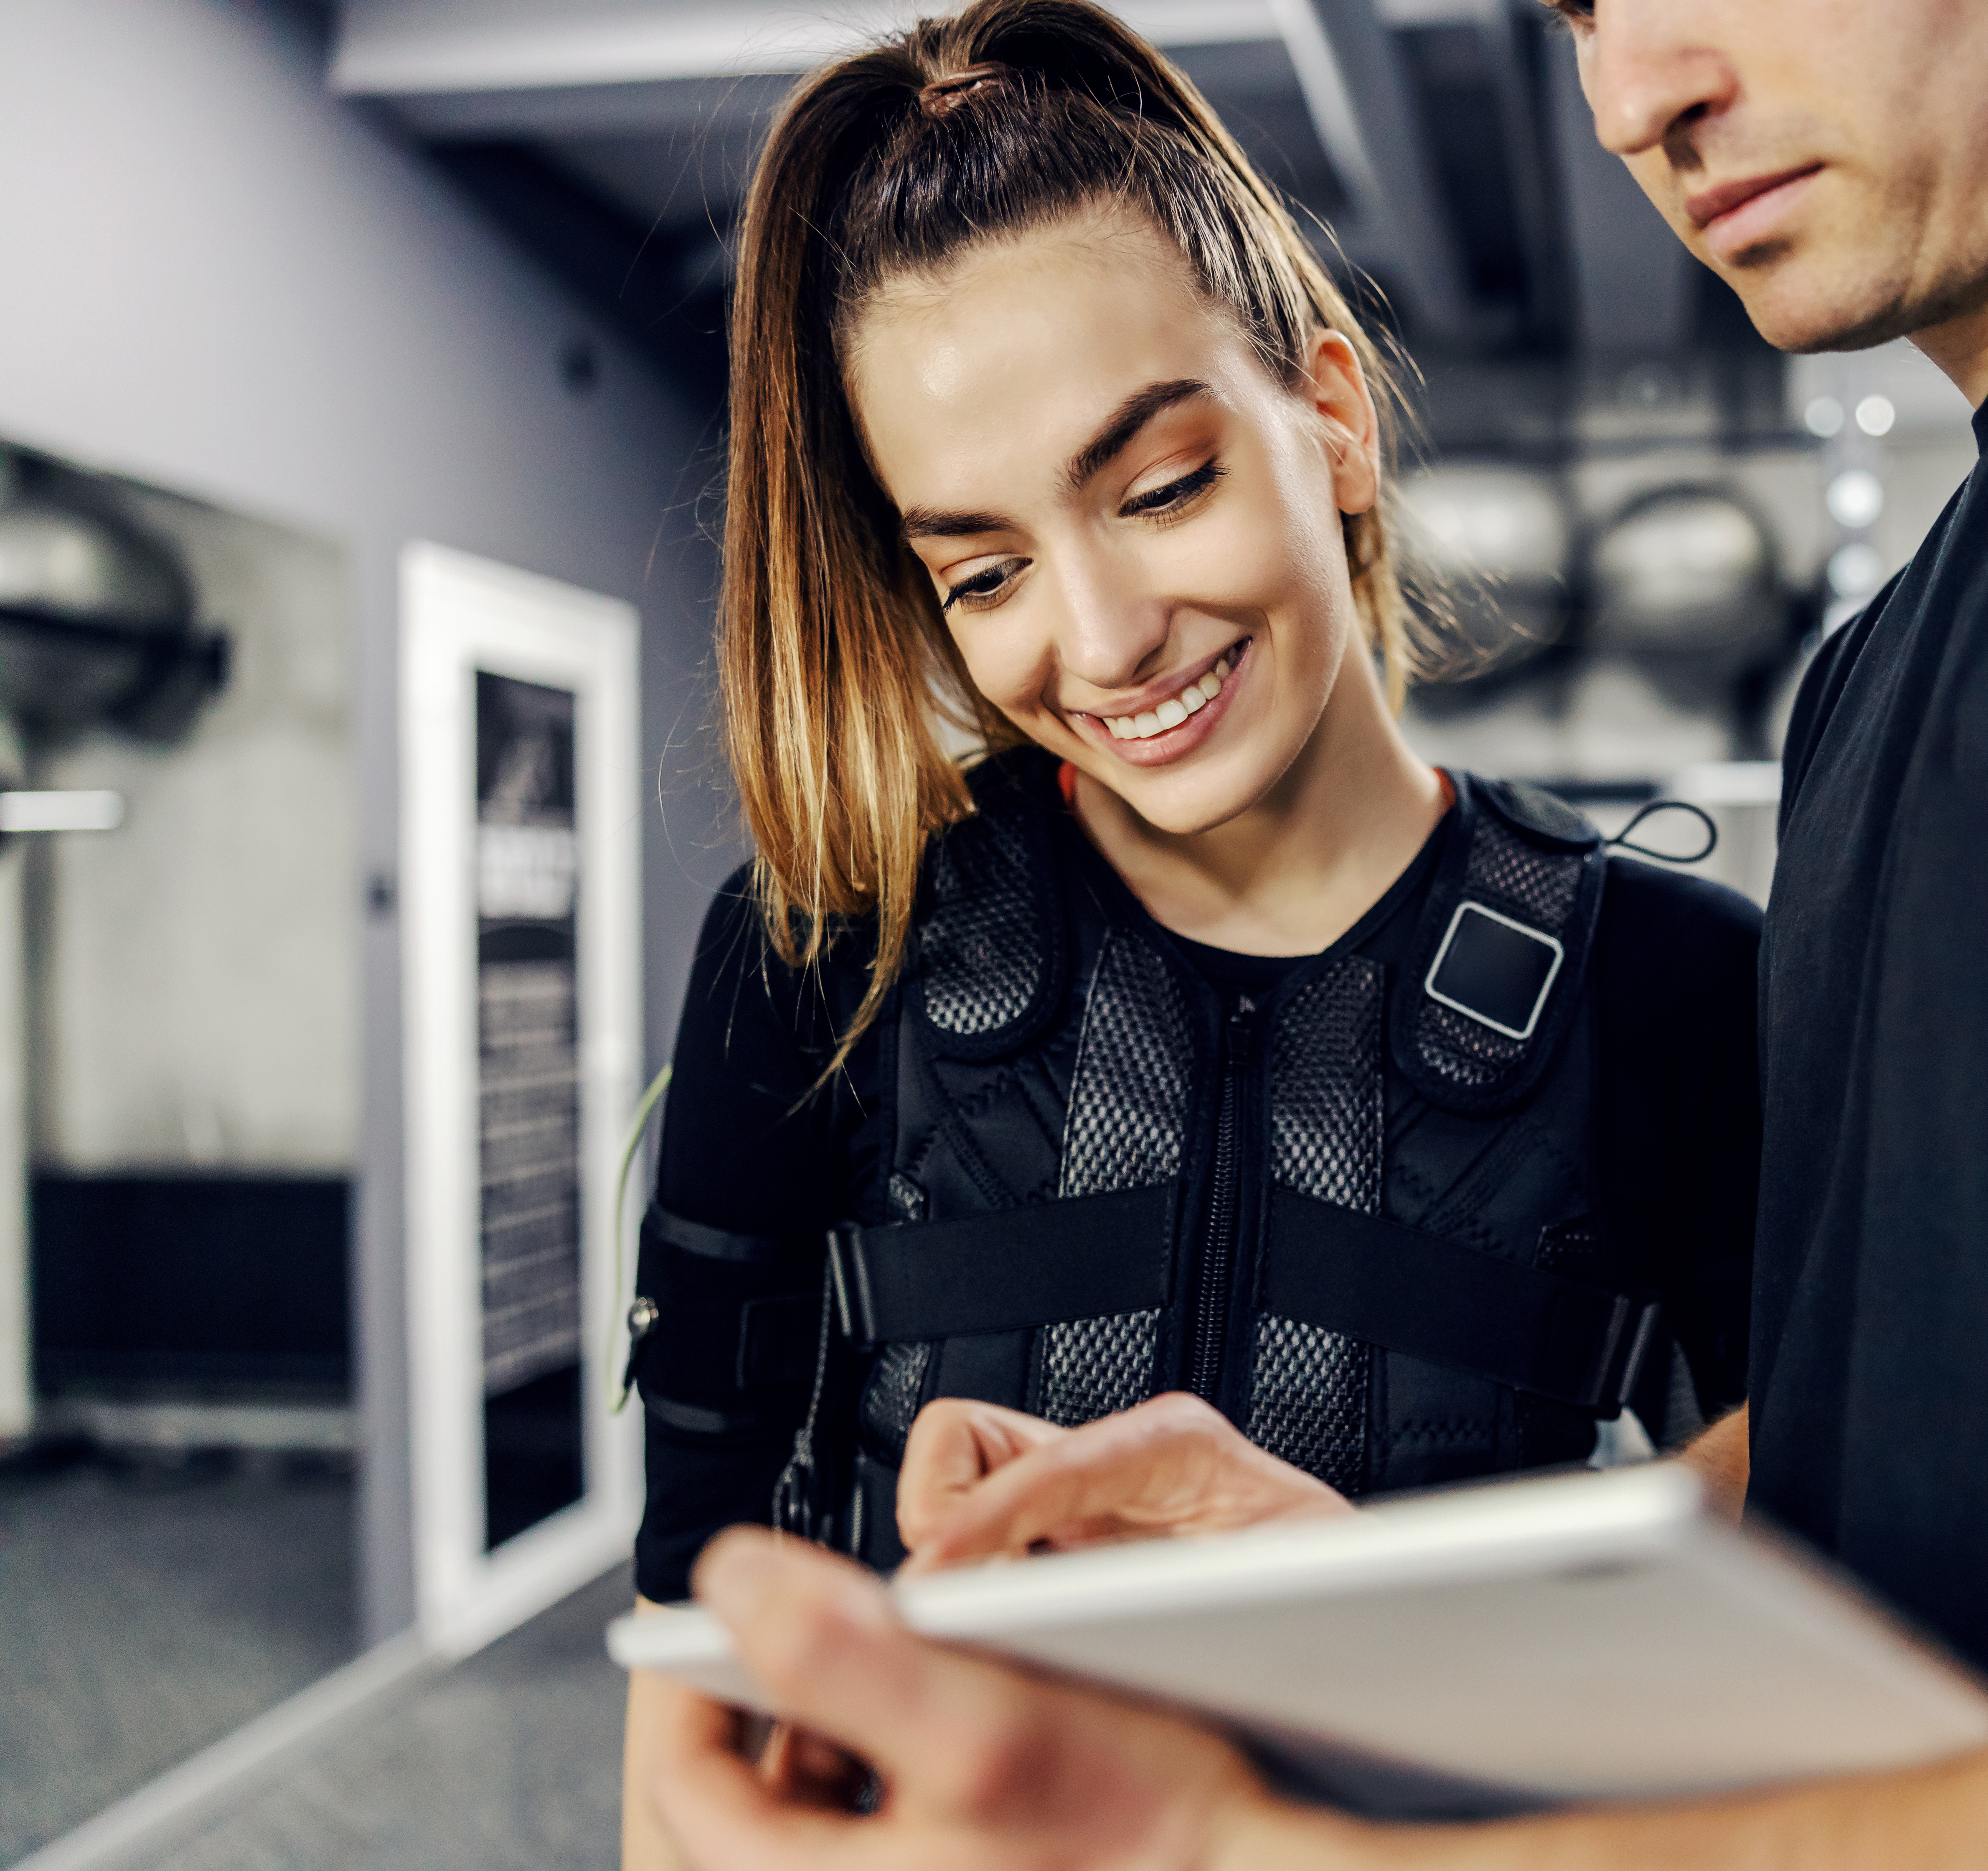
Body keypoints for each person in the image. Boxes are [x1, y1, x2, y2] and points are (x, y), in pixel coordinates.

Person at [645, 0, 1988, 1864]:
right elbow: (1907, 1490)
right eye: (1580, 13)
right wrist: (1343, 1597)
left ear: (1324, 420)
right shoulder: (1873, 695)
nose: (1630, 95)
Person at [614, 1, 1765, 1862]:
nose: (1101, 638)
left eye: (1161, 489)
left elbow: (1787, 1607)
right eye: (981, 570)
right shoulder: (825, 954)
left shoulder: (1675, 987)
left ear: (1328, 414)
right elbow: (693, 1672)